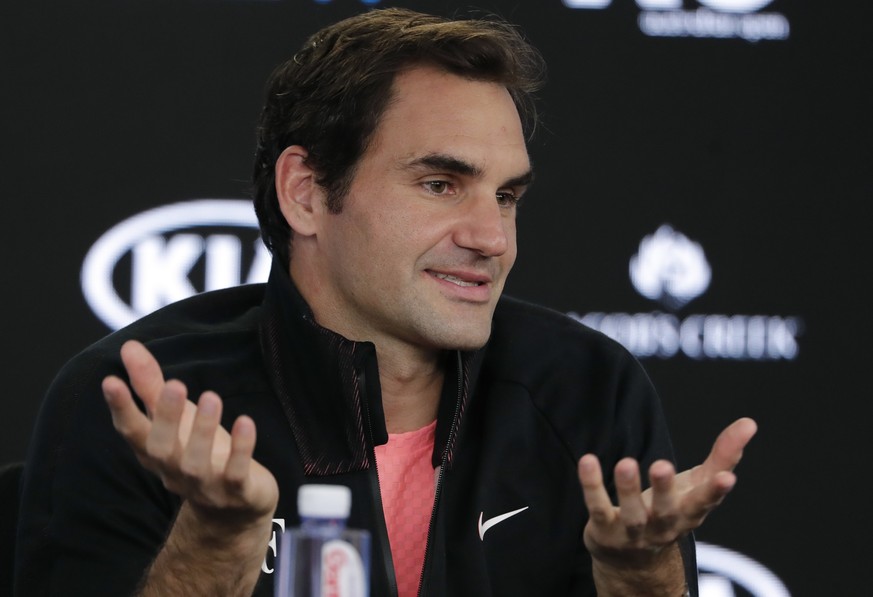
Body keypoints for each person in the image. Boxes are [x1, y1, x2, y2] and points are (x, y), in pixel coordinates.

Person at [16, 8, 756, 597]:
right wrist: (216, 537)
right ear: (305, 193)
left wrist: (638, 579)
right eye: (440, 184)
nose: (491, 237)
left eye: (506, 195)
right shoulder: (146, 404)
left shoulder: (587, 389)